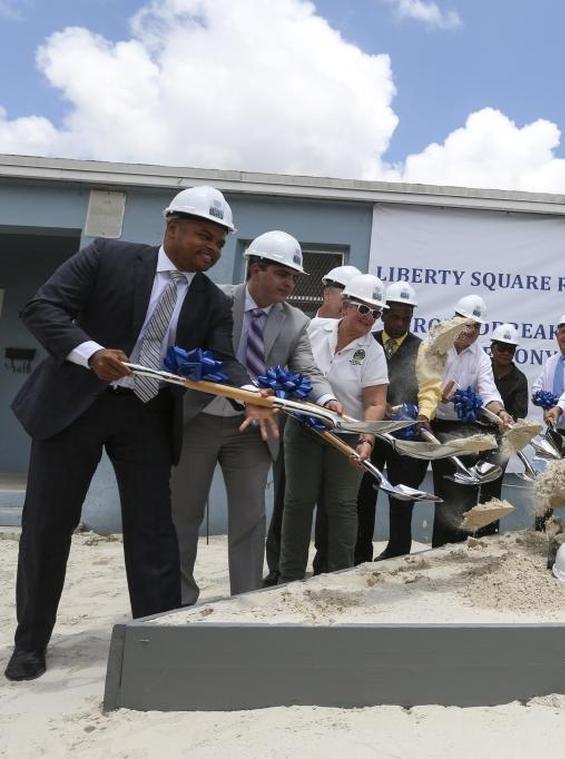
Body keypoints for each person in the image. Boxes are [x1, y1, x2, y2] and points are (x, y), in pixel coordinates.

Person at [5, 186, 272, 682]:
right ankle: (30, 643)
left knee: (154, 531)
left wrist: (252, 392)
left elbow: (223, 360)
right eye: (203, 236)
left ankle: (156, 634)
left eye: (219, 243)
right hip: (74, 406)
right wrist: (90, 352)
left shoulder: (211, 301)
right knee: (48, 526)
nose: (210, 250)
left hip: (145, 416)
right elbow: (42, 309)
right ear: (171, 227)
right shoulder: (107, 256)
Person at [170, 231, 337, 604]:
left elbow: (307, 370)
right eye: (282, 274)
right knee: (183, 513)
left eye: (294, 277)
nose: (290, 284)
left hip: (254, 431)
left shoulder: (296, 321)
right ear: (255, 268)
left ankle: (245, 602)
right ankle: (178, 600)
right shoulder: (215, 300)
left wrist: (326, 400)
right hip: (198, 420)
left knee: (249, 518)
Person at [277, 274, 388, 582]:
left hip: (347, 437)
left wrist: (367, 440)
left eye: (376, 313)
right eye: (364, 309)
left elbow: (376, 402)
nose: (370, 318)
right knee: (298, 502)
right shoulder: (313, 330)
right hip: (303, 429)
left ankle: (339, 579)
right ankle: (288, 578)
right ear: (345, 305)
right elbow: (291, 368)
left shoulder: (374, 353)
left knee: (341, 505)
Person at [417, 294, 513, 547]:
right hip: (436, 424)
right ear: (454, 320)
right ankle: (440, 548)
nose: (470, 331)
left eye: (477, 327)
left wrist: (501, 413)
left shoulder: (480, 355)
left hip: (466, 429)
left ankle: (460, 549)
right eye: (466, 324)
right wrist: (440, 396)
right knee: (447, 491)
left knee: (467, 492)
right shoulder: (436, 342)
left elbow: (487, 391)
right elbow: (427, 382)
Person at [358, 280, 430, 562]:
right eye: (395, 316)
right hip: (370, 433)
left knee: (402, 497)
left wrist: (423, 412)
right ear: (383, 314)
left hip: (405, 436)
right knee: (364, 494)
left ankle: (398, 551)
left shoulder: (421, 349)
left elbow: (429, 388)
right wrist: (377, 405)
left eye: (407, 318)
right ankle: (359, 552)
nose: (401, 323)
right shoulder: (366, 341)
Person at [482, 323, 530, 507]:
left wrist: (504, 421)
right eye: (501, 348)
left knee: (492, 488)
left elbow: (519, 414)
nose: (505, 353)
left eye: (510, 349)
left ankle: (488, 533)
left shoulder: (519, 379)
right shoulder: (482, 370)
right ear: (492, 348)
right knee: (467, 486)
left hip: (501, 441)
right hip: (474, 435)